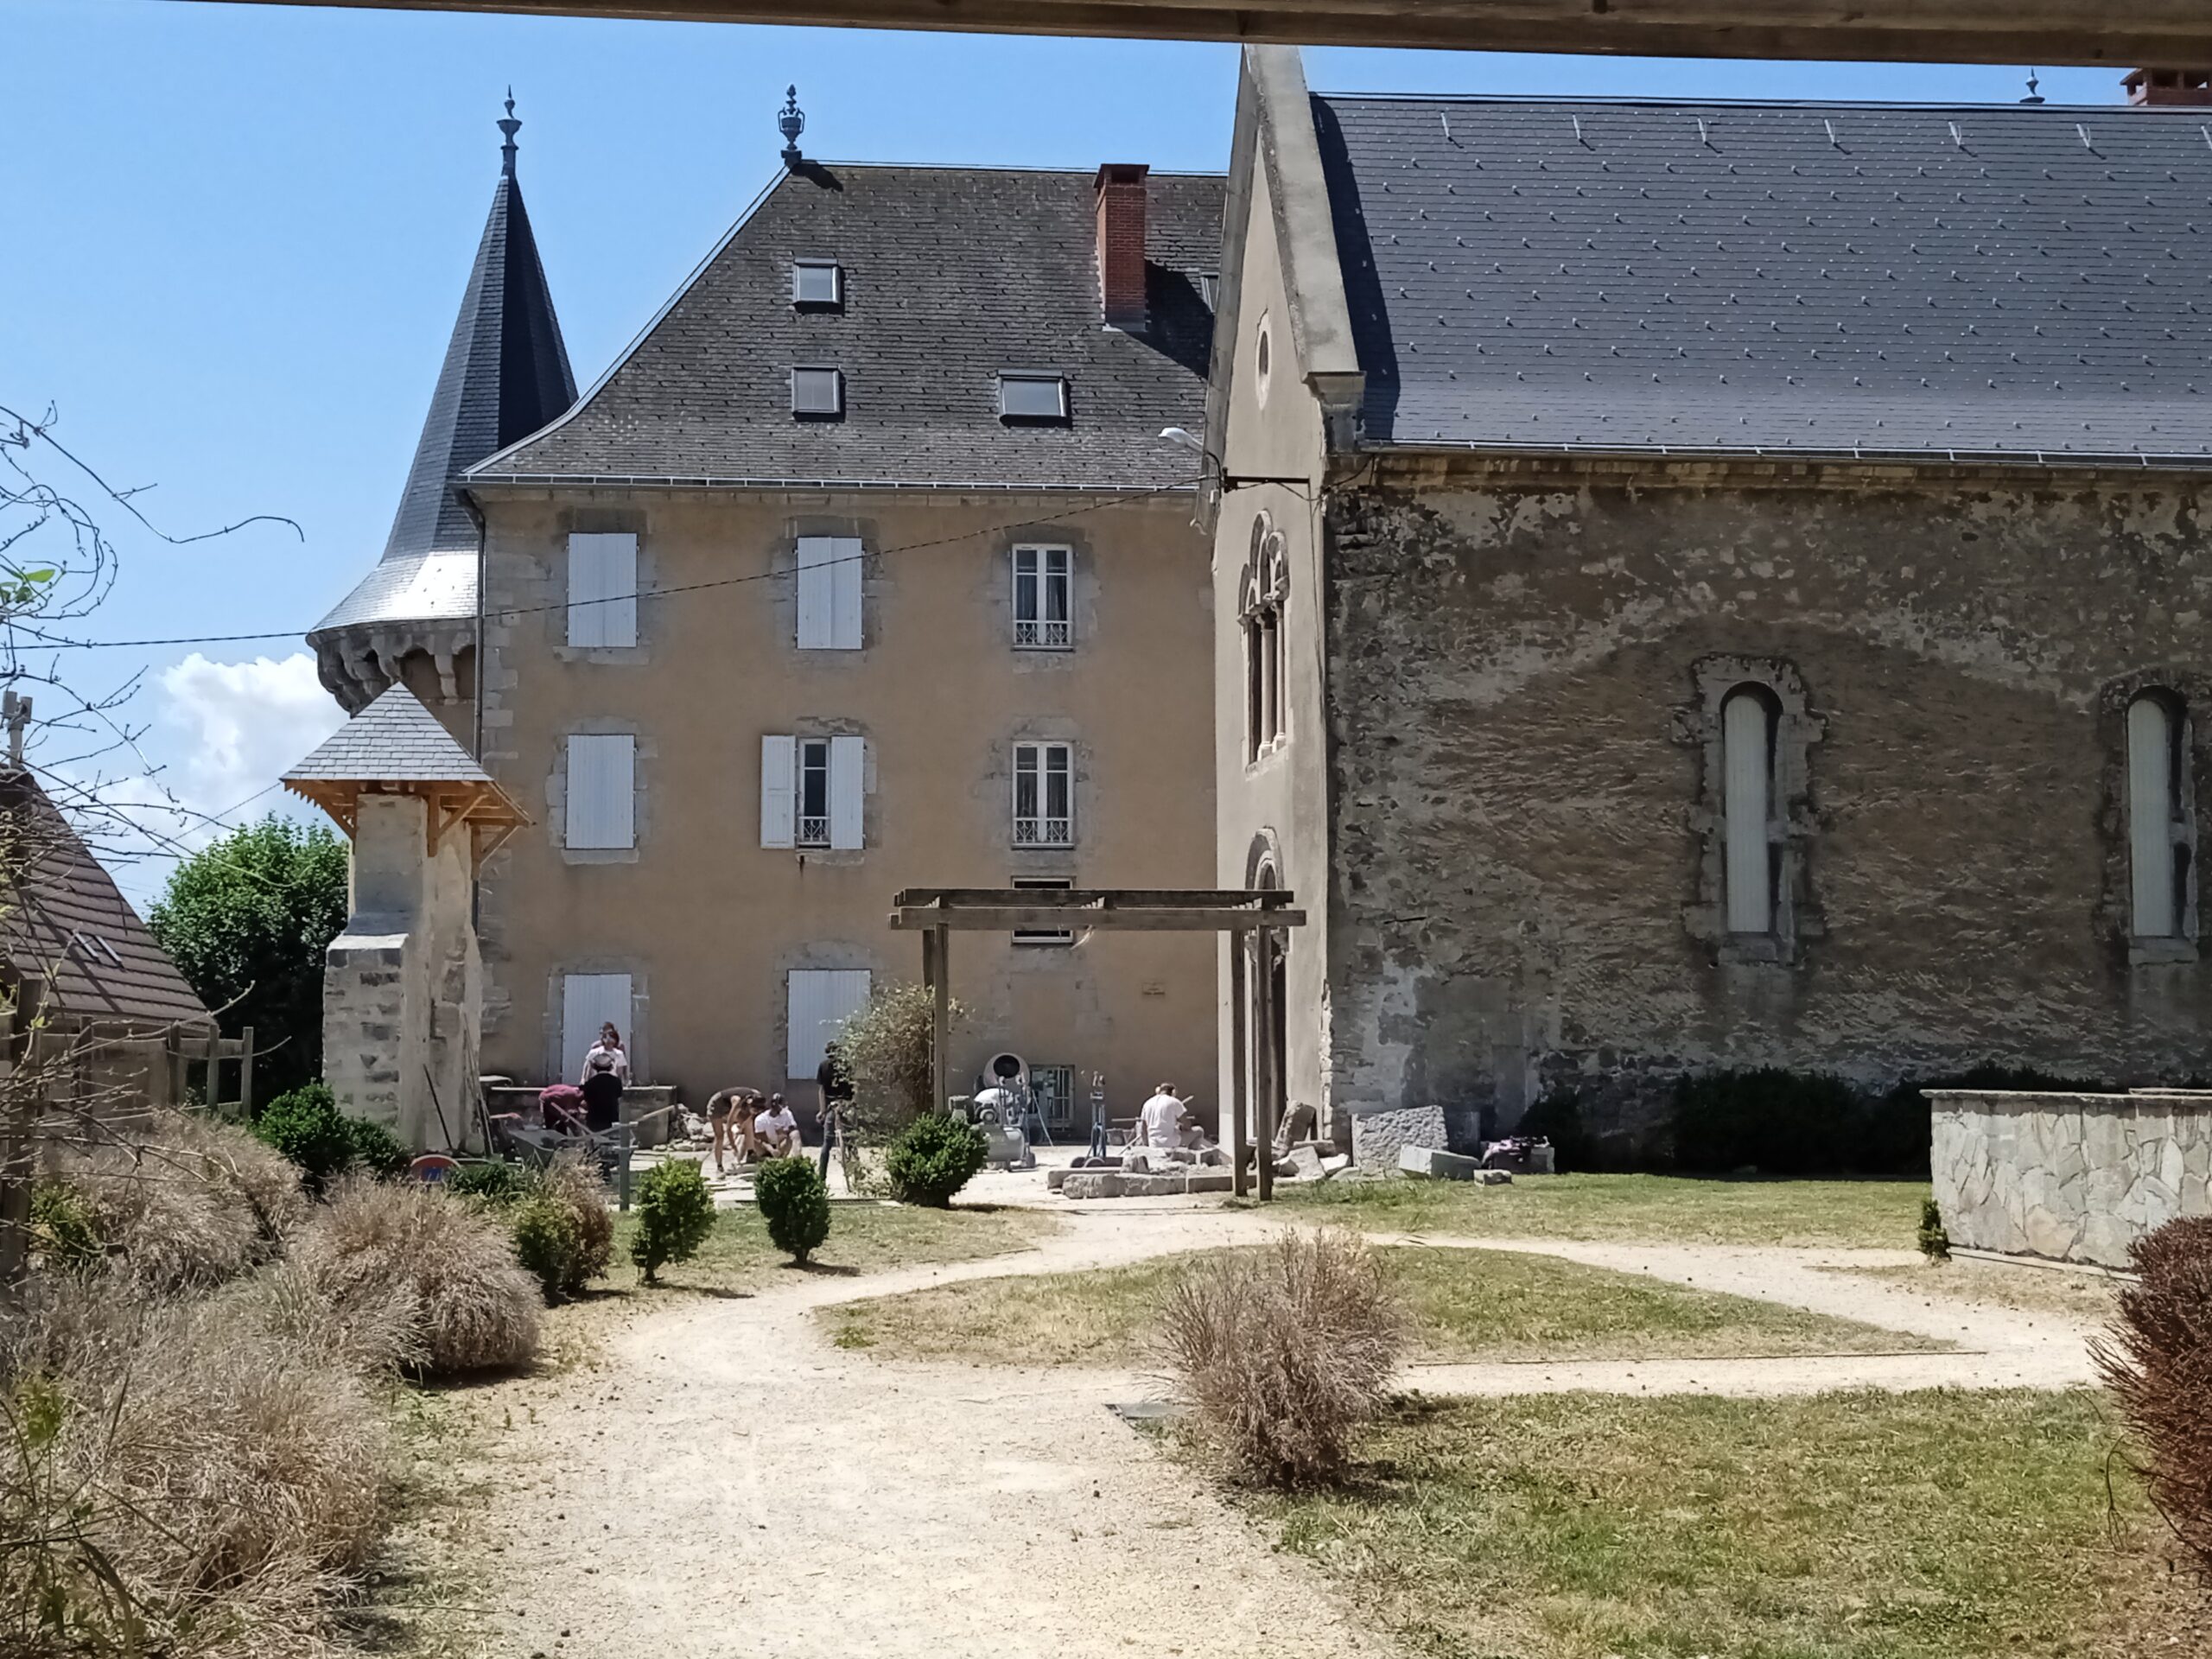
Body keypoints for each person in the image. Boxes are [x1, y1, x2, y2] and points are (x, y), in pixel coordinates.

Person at [816, 1042, 854, 1179]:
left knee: (827, 1142)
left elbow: (822, 1091)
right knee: (851, 1138)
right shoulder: (846, 1066)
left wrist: (822, 1111)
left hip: (831, 1105)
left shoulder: (823, 1065)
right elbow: (853, 1087)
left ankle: (821, 1176)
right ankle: (857, 1170)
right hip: (846, 1104)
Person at [704, 1085, 755, 1175]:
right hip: (717, 1104)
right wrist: (734, 1147)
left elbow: (751, 1117)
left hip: (734, 1104)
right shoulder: (738, 1102)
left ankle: (751, 1154)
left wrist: (743, 1126)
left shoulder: (758, 1098)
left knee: (749, 1126)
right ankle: (719, 1166)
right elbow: (729, 1128)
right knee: (720, 1135)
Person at [580, 1045, 625, 1135]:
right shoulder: (616, 1082)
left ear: (595, 1067)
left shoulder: (590, 1084)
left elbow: (586, 1100)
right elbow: (619, 1097)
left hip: (594, 1121)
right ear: (611, 1067)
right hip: (612, 1120)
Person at [1138, 1083, 1188, 1152]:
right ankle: (1192, 1157)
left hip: (1153, 1143)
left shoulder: (1147, 1103)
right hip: (1170, 1142)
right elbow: (1188, 1125)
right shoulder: (1174, 1102)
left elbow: (1143, 1128)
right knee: (1199, 1131)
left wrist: (1147, 1144)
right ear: (1173, 1092)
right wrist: (1180, 1126)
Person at [580, 1023, 632, 1087]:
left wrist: (625, 1079)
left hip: (612, 1080)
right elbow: (587, 1064)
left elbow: (623, 1064)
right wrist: (583, 1079)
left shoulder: (619, 1048)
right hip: (596, 1078)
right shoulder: (595, 1047)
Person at [756, 1093, 801, 1158]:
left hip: (781, 1145)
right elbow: (761, 1139)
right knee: (756, 1141)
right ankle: (762, 1157)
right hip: (767, 1146)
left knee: (795, 1133)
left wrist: (783, 1131)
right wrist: (771, 1150)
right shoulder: (761, 1119)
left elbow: (793, 1127)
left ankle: (797, 1157)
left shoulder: (787, 1114)